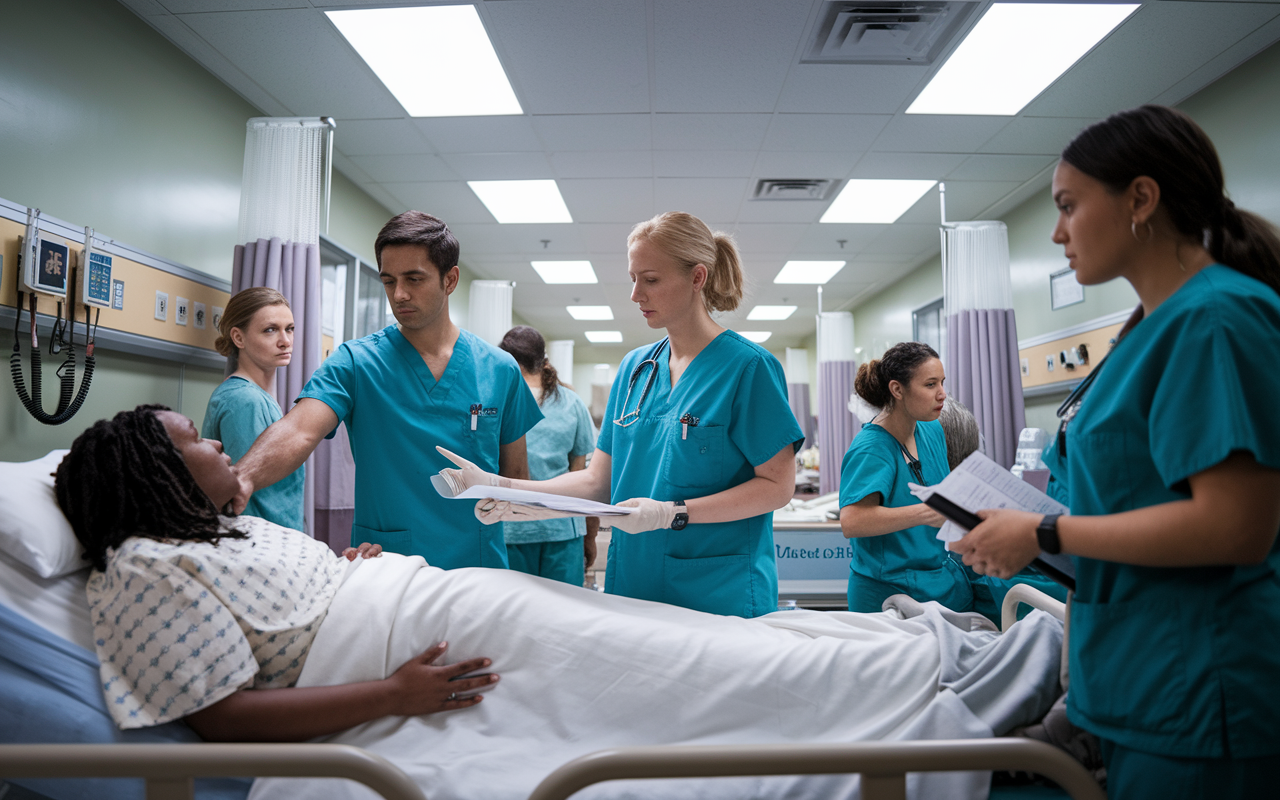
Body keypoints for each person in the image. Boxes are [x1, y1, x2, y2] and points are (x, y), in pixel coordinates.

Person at [55, 405, 1065, 800]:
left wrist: (342, 564)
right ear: (153, 468)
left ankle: (960, 671)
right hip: (419, 651)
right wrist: (392, 684)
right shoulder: (141, 569)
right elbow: (221, 716)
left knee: (693, 648)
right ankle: (967, 693)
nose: (224, 444)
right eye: (199, 437)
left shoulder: (220, 533)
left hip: (440, 603)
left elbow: (285, 605)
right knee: (697, 674)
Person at [953, 105, 1280, 798]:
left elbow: (1236, 527)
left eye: (1070, 206)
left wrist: (1043, 530)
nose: (1056, 232)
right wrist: (1022, 533)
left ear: (1140, 198)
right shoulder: (1149, 330)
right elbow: (1131, 501)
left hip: (1200, 683)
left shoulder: (1215, 319)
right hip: (1142, 677)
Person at [440, 212, 804, 617]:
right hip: (634, 583)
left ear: (697, 277)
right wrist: (506, 487)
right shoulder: (635, 370)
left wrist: (672, 513)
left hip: (717, 590)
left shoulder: (747, 368)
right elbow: (600, 481)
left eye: (650, 280)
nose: (635, 294)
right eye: (633, 278)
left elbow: (777, 486)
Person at [230, 211, 542, 569]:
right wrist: (242, 477)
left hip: (478, 565)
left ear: (450, 279)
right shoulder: (356, 362)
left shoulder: (499, 369)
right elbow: (299, 429)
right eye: (389, 280)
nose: (400, 294)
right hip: (387, 566)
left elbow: (516, 478)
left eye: (414, 278)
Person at [839, 342, 1065, 623]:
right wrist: (926, 512)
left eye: (942, 383)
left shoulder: (932, 430)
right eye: (931, 384)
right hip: (889, 593)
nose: (942, 394)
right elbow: (853, 521)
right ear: (897, 390)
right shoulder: (872, 448)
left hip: (940, 582)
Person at [497, 325, 599, 585]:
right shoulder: (572, 403)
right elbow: (585, 480)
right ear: (542, 361)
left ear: (507, 361)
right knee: (564, 617)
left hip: (509, 532)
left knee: (513, 618)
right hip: (563, 532)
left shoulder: (495, 402)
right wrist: (589, 536)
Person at [201, 287, 304, 529]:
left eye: (289, 329)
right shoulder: (245, 401)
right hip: (263, 545)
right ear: (239, 338)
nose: (285, 341)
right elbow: (249, 500)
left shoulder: (255, 396)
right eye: (270, 330)